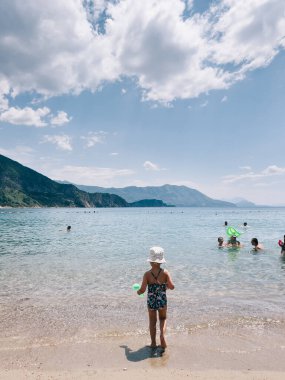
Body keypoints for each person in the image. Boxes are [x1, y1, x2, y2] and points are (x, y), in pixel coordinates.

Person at [137, 247, 175, 349]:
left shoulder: (147, 274)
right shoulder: (165, 273)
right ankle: (162, 335)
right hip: (162, 299)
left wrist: (138, 292)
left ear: (151, 262)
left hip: (151, 300)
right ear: (161, 261)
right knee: (163, 318)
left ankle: (153, 343)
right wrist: (165, 286)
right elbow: (172, 286)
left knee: (152, 321)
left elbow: (143, 289)